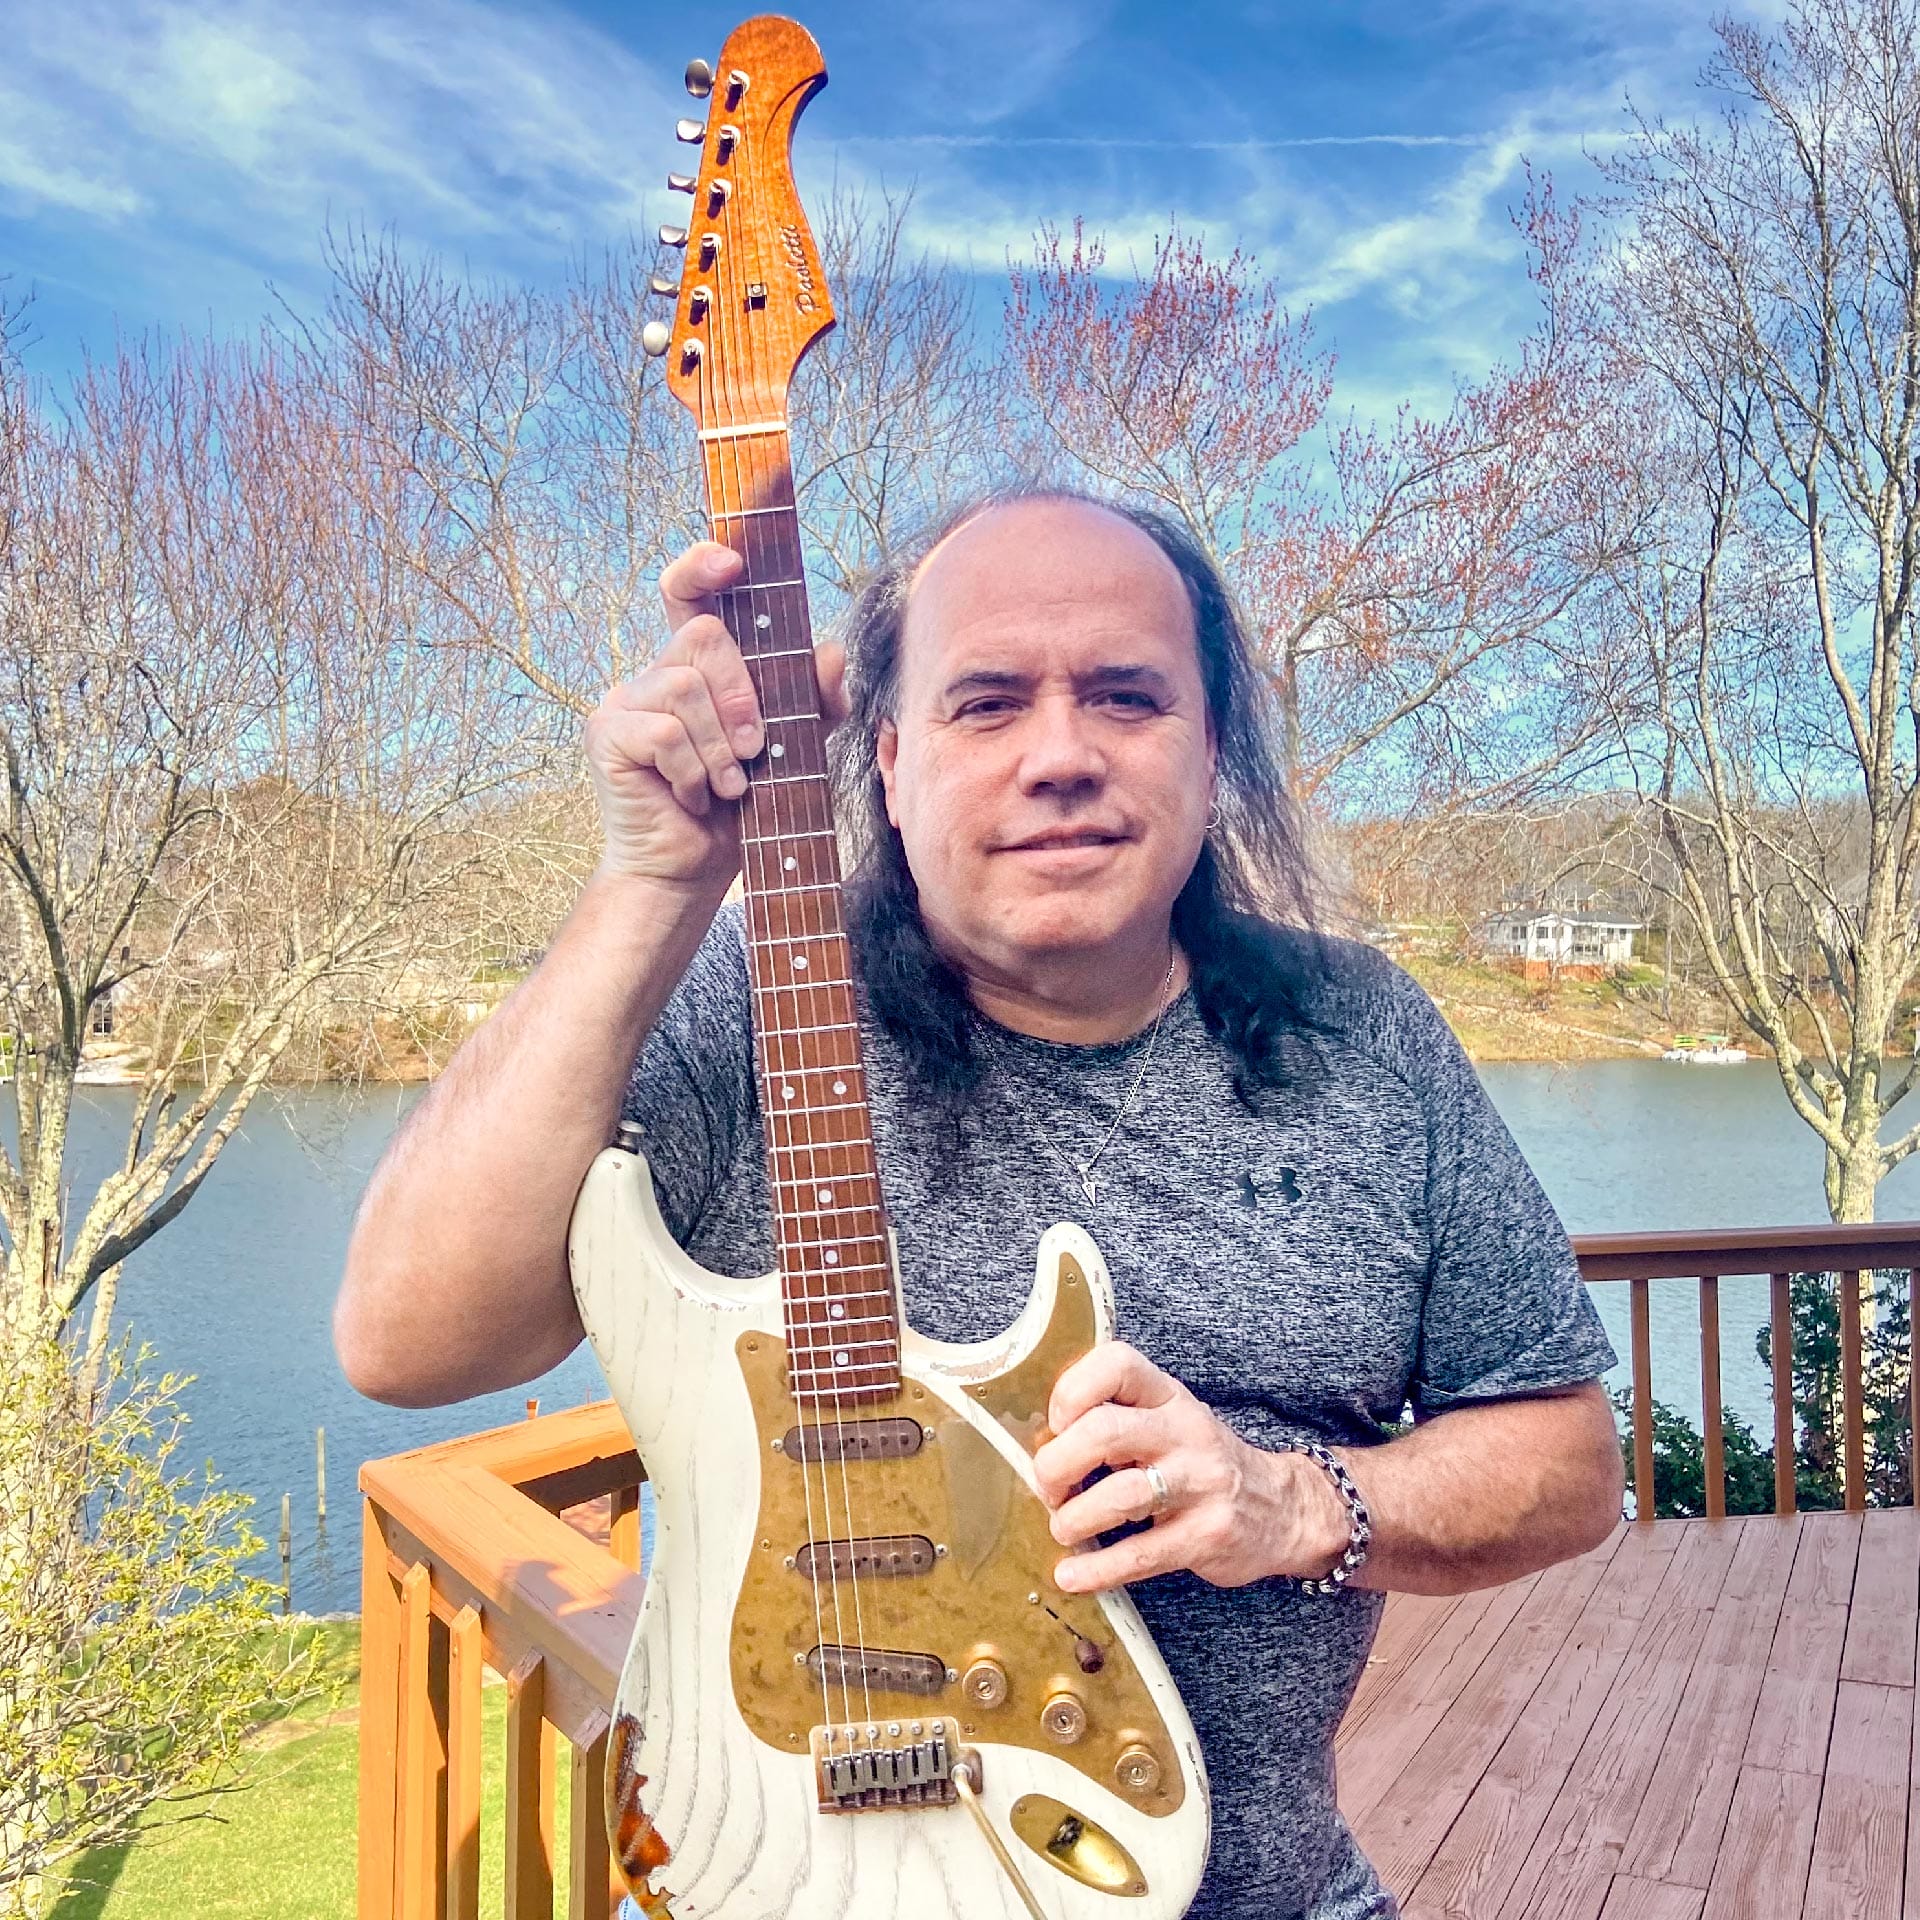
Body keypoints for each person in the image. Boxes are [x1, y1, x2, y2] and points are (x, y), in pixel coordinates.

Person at [336, 492, 1623, 1919]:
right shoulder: (759, 1003)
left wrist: (1301, 1501)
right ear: (888, 764)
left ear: (1212, 750)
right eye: (988, 703)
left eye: (1127, 697)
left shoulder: (1360, 1035)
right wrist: (651, 884)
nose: (1060, 756)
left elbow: (1570, 1459)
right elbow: (406, 1341)